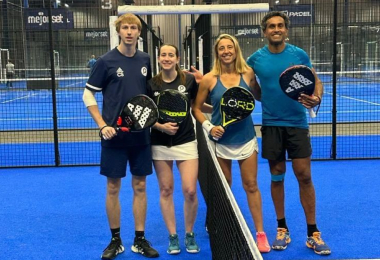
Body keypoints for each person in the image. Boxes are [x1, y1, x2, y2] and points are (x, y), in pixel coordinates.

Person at [246, 11, 331, 255]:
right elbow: (252, 88)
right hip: (272, 125)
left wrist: (317, 98)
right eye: (271, 26)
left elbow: (316, 82)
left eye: (280, 25)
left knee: (304, 176)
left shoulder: (298, 55)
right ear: (264, 31)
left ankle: (313, 233)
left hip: (297, 124)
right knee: (277, 174)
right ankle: (282, 228)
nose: (276, 29)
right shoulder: (255, 60)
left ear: (286, 29)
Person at [82, 13, 159, 260]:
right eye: (125, 27)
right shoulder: (105, 61)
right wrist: (103, 125)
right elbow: (88, 96)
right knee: (113, 187)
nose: (129, 31)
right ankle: (115, 240)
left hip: (140, 137)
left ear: (138, 33)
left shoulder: (146, 59)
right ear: (119, 31)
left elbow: (148, 96)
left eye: (133, 28)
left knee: (140, 185)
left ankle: (139, 239)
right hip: (113, 136)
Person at [192, 33, 271, 253]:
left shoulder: (248, 73)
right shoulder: (209, 79)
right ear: (217, 52)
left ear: (236, 50)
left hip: (246, 139)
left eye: (230, 47)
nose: (226, 51)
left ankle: (260, 233)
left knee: (251, 185)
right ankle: (219, 223)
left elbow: (260, 97)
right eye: (222, 48)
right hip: (220, 142)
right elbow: (196, 109)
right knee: (223, 187)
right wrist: (209, 127)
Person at [148, 44, 212, 255]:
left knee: (190, 191)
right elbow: (147, 114)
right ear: (159, 59)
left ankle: (190, 233)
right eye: (163, 55)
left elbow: (197, 106)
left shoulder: (189, 80)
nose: (167, 58)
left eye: (171, 55)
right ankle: (173, 236)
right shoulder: (151, 84)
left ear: (177, 59)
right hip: (160, 143)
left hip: (186, 141)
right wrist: (160, 126)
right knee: (166, 190)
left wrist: (219, 109)